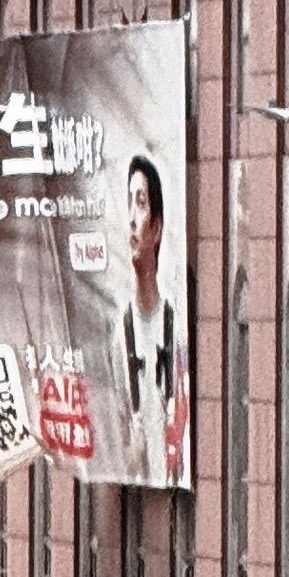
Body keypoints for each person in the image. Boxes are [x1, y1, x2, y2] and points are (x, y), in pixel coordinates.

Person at [114, 152, 188, 486]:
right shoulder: (119, 336)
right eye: (128, 203)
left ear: (156, 227)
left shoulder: (176, 328)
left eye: (141, 204)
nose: (132, 218)